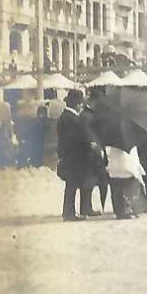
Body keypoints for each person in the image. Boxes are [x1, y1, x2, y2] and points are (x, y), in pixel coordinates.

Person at [56, 89, 104, 220]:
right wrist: (89, 143)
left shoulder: (67, 116)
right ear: (76, 104)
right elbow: (76, 137)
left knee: (75, 183)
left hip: (71, 155)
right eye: (79, 103)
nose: (81, 105)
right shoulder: (71, 118)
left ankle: (79, 209)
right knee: (72, 185)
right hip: (74, 156)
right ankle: (68, 213)